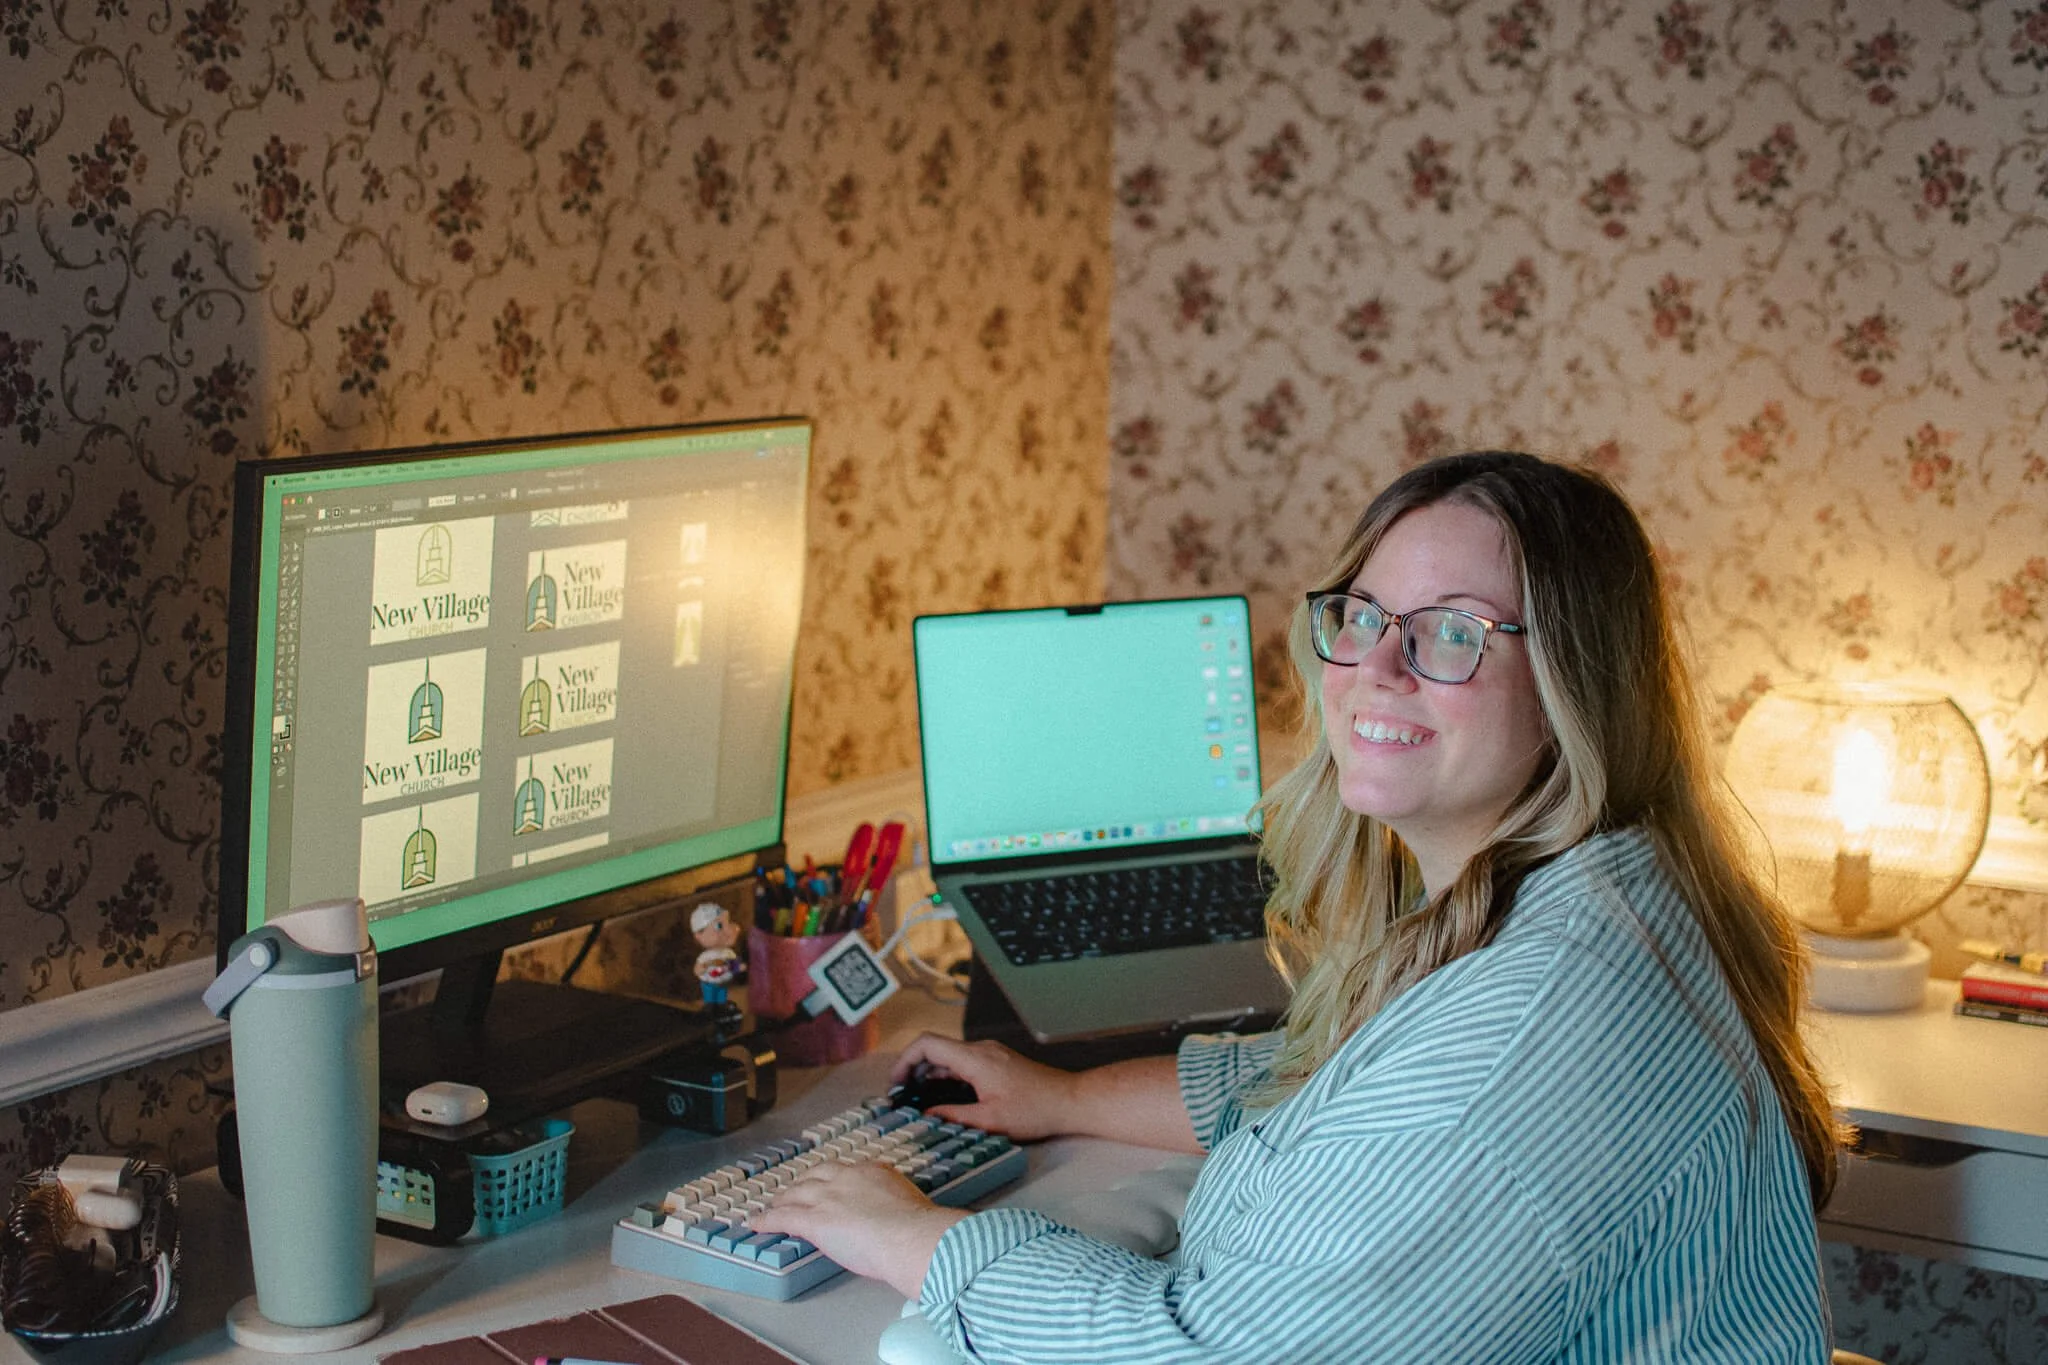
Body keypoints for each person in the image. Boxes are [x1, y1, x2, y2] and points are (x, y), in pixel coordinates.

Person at [756, 451, 1841, 1362]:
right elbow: (1333, 1097)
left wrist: (909, 1237)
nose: (1374, 667)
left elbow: (1211, 1355)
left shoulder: (1519, 1036)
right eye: (1361, 614)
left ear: (1574, 686)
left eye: (1452, 632)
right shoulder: (1585, 890)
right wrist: (1064, 1096)